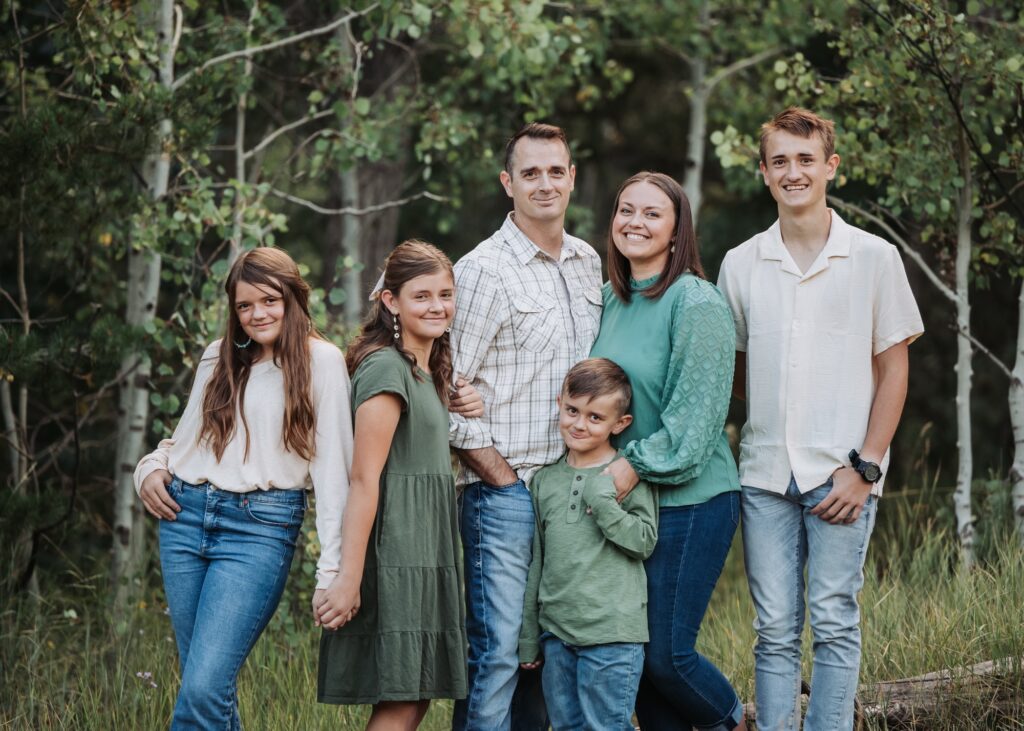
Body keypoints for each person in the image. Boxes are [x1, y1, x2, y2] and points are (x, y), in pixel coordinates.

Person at [717, 107, 924, 731]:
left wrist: (866, 468)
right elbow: (738, 370)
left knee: (835, 618)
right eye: (780, 160)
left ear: (830, 166)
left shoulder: (874, 257)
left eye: (806, 159)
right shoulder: (741, 263)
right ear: (763, 172)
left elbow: (894, 372)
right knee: (774, 628)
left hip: (843, 474)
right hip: (764, 477)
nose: (793, 171)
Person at [134, 247, 353, 730]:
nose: (257, 314)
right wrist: (148, 469)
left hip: (258, 530)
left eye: (269, 300)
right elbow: (183, 442)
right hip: (184, 518)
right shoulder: (219, 356)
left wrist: (332, 571)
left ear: (293, 298)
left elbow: (335, 475)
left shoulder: (323, 362)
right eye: (244, 306)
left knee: (202, 688)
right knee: (206, 688)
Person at [448, 122, 604, 731]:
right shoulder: (484, 270)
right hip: (504, 494)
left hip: (570, 494)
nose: (545, 184)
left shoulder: (590, 262)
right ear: (507, 183)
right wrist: (498, 475)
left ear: (572, 177)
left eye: (555, 171)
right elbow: (442, 386)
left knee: (549, 653)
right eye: (530, 173)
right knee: (497, 655)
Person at [590, 171, 747, 730]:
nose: (635, 222)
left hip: (691, 498)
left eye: (652, 213)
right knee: (640, 669)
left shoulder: (696, 302)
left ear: (678, 231)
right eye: (625, 210)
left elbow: (697, 422)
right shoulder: (608, 299)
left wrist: (630, 465)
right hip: (630, 504)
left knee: (668, 657)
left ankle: (734, 720)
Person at [317, 240, 468, 729]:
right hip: (396, 551)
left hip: (427, 547)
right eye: (421, 295)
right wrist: (349, 576)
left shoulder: (425, 369)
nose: (437, 306)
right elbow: (363, 479)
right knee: (403, 697)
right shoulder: (385, 367)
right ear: (391, 302)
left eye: (445, 294)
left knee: (417, 694)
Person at [517, 358, 658, 731]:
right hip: (557, 634)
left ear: (620, 424)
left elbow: (644, 541)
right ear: (559, 404)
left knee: (607, 726)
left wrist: (605, 503)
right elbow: (538, 561)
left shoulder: (627, 474)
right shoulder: (545, 481)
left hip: (612, 634)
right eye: (572, 411)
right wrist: (530, 635)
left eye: (595, 417)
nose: (579, 424)